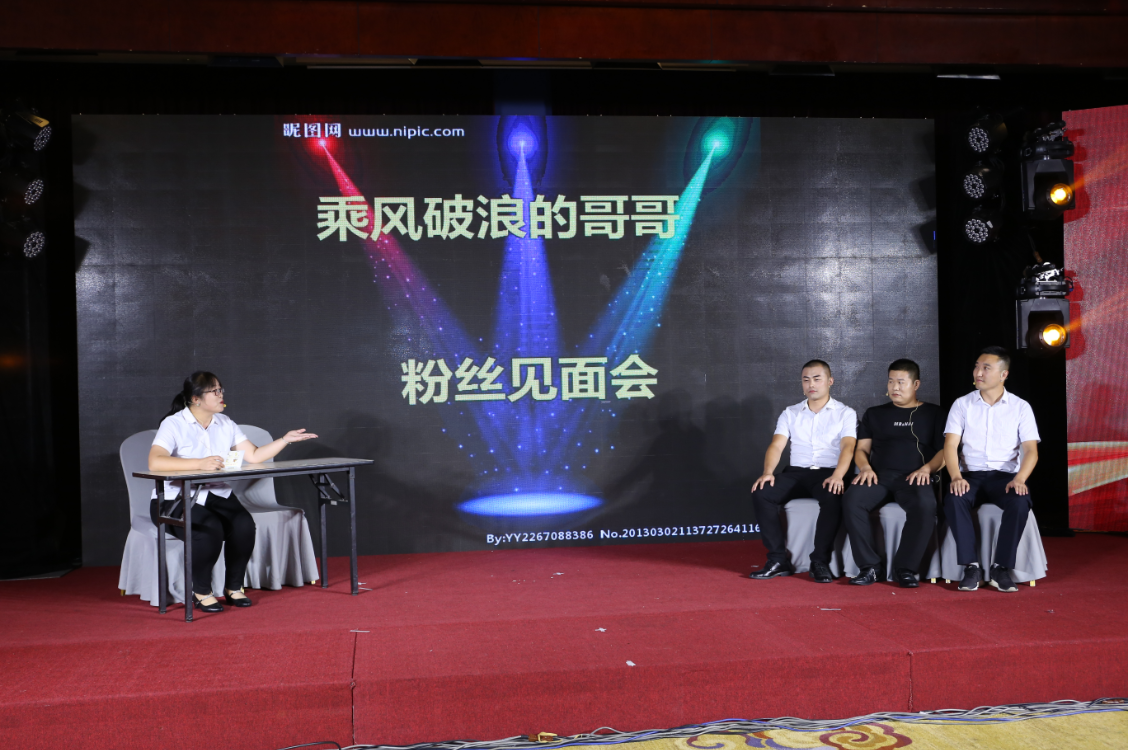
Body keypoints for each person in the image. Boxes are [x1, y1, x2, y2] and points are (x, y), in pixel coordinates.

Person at [148, 371, 318, 612]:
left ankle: (234, 588)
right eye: (215, 391)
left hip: (215, 494)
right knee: (209, 528)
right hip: (174, 499)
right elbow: (155, 462)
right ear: (196, 399)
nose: (221, 395)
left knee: (244, 525)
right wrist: (199, 463)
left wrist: (285, 440)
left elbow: (254, 455)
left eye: (221, 390)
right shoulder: (174, 423)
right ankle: (201, 591)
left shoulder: (225, 423)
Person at [943, 346, 1040, 593]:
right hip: (970, 475)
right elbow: (950, 445)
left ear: (1003, 374)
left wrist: (1020, 478)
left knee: (1020, 500)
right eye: (977, 366)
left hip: (1005, 477)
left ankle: (1001, 568)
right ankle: (971, 567)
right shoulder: (962, 404)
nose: (978, 373)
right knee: (954, 498)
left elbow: (1030, 450)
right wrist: (955, 476)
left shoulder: (1020, 407)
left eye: (986, 368)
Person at [749, 360, 857, 582]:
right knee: (762, 492)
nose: (811, 384)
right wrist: (768, 472)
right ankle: (777, 559)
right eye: (806, 380)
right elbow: (777, 445)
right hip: (796, 473)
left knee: (833, 495)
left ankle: (819, 561)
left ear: (830, 381)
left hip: (828, 472)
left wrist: (838, 475)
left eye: (817, 379)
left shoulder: (845, 413)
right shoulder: (790, 413)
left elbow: (848, 447)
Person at [844, 359, 945, 588]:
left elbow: (945, 451)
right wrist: (865, 467)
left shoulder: (934, 413)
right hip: (878, 476)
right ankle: (870, 567)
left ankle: (905, 569)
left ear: (916, 384)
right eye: (891, 382)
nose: (894, 387)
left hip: (915, 476)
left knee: (925, 505)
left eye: (901, 382)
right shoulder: (874, 414)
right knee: (852, 499)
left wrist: (927, 469)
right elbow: (861, 449)